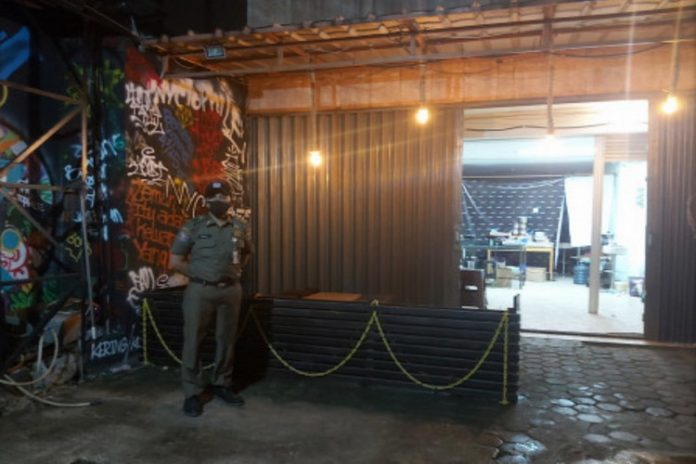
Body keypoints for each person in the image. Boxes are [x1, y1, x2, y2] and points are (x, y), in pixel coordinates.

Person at [169, 179, 253, 417]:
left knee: (226, 340)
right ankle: (192, 393)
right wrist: (199, 273)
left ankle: (221, 384)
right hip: (200, 291)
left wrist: (235, 271)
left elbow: (246, 253)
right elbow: (175, 261)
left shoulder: (240, 227)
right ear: (206, 201)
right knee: (193, 340)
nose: (219, 200)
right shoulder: (193, 226)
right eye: (214, 196)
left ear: (230, 199)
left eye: (223, 196)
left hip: (231, 291)